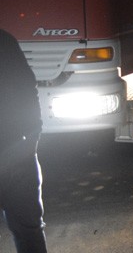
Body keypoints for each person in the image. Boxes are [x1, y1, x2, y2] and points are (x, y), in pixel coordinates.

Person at [0, 29, 48, 253]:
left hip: (18, 153)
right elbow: (28, 89)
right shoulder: (5, 40)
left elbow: (27, 89)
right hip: (18, 152)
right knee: (29, 234)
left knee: (29, 233)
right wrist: (31, 140)